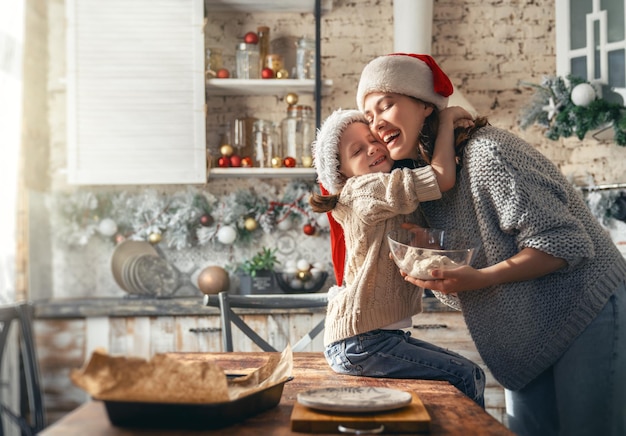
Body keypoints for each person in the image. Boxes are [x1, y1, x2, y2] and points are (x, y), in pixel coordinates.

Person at [353, 52, 626, 436]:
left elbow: (564, 242)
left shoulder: (486, 154)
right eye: (368, 116)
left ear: (424, 106)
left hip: (585, 305)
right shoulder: (423, 181)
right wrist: (430, 251)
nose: (377, 123)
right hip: (529, 333)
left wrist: (479, 278)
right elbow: (474, 249)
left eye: (386, 105)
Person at [309, 107, 485, 407]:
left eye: (372, 138)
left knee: (470, 376)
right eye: (358, 150)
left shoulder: (386, 190)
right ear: (341, 173)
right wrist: (445, 118)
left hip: (375, 338)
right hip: (361, 342)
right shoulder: (364, 190)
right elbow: (442, 178)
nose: (373, 148)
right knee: (466, 376)